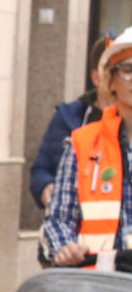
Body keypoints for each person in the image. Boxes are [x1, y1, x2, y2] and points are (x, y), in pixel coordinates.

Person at [42, 27, 132, 268]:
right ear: (110, 82)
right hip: (98, 286)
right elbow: (58, 219)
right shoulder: (82, 144)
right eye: (128, 70)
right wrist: (64, 247)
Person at [30, 35, 113, 218]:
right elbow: (41, 169)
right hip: (70, 229)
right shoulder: (69, 117)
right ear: (95, 77)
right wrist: (46, 186)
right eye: (111, 70)